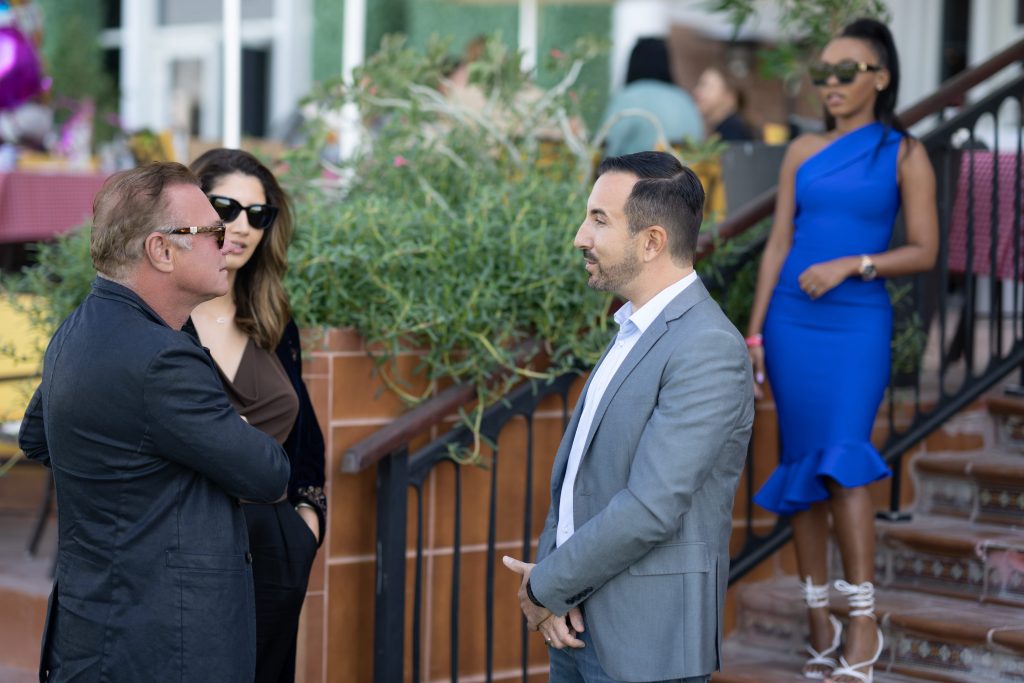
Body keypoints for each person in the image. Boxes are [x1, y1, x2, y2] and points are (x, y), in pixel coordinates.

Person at [18, 162, 292, 682]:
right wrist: (224, 429)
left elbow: (39, 437)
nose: (227, 243)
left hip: (94, 631)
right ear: (161, 250)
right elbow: (268, 473)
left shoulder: (77, 330)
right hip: (162, 648)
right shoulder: (162, 360)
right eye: (211, 231)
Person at [503, 150, 754, 683]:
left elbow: (650, 507)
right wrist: (557, 587)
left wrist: (545, 585)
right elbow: (580, 478)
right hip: (574, 622)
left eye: (599, 220)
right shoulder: (634, 328)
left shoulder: (707, 346)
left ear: (652, 242)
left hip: (647, 643)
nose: (581, 237)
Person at [746, 18, 938, 683]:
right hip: (791, 322)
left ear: (879, 78)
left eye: (846, 71)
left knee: (844, 462)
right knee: (803, 464)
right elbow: (777, 243)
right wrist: (755, 331)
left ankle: (862, 620)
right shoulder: (801, 150)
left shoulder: (904, 152)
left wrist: (853, 264)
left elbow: (925, 249)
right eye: (822, 72)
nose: (829, 83)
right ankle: (817, 618)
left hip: (856, 322)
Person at [188, 148, 326, 683]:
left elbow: (305, 436)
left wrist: (306, 524)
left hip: (272, 561)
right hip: (185, 559)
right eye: (225, 208)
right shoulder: (159, 318)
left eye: (258, 214)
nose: (242, 226)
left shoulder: (272, 317)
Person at [599, 38, 704, 156]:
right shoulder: (685, 99)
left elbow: (607, 144)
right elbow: (697, 143)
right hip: (684, 166)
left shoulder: (629, 96)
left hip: (639, 166)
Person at [693, 66, 755, 142]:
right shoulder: (722, 129)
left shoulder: (733, 132)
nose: (696, 92)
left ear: (730, 97)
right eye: (699, 85)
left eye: (707, 86)